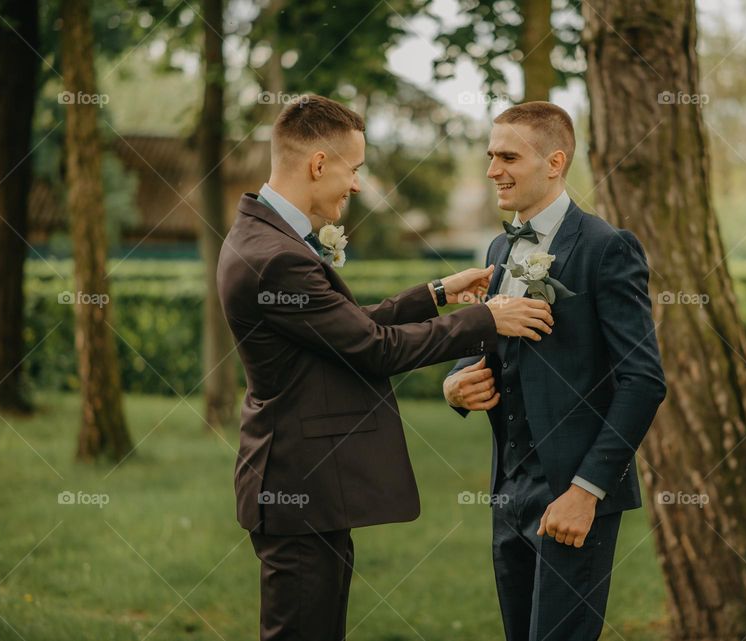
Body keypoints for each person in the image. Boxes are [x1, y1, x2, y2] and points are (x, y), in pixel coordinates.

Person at [216, 94, 554, 641]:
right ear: (319, 165)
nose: (355, 185)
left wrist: (438, 292)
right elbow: (374, 348)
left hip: (306, 488)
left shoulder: (269, 238)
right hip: (298, 486)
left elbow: (344, 328)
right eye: (354, 170)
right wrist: (488, 318)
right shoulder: (276, 256)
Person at [443, 101, 667, 641]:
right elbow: (490, 347)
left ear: (554, 162)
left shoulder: (606, 248)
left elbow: (643, 380)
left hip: (572, 499)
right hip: (508, 491)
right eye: (491, 155)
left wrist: (586, 491)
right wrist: (456, 383)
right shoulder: (500, 247)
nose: (493, 169)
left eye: (508, 156)